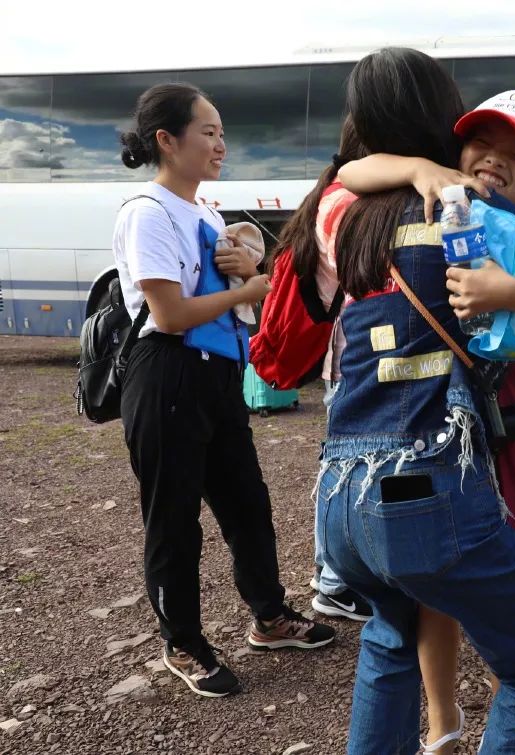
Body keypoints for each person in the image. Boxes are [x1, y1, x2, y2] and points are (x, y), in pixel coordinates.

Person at [317, 49, 515, 754]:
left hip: (338, 497)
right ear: (445, 125)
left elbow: (345, 173)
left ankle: (436, 728)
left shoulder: (340, 217)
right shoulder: (476, 216)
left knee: (389, 636)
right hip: (421, 486)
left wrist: (407, 168)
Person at [113, 84, 335, 699]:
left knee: (247, 504)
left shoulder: (207, 214)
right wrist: (249, 289)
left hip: (217, 376)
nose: (220, 144)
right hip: (167, 372)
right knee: (174, 518)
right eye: (207, 132)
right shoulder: (147, 212)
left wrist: (248, 274)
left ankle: (270, 617)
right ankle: (182, 640)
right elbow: (171, 314)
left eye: (220, 132)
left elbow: (237, 307)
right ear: (167, 139)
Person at [267, 116, 372, 622]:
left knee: (341, 468)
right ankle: (332, 582)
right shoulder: (346, 203)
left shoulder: (331, 193)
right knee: (342, 472)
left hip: (346, 360)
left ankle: (336, 578)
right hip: (354, 362)